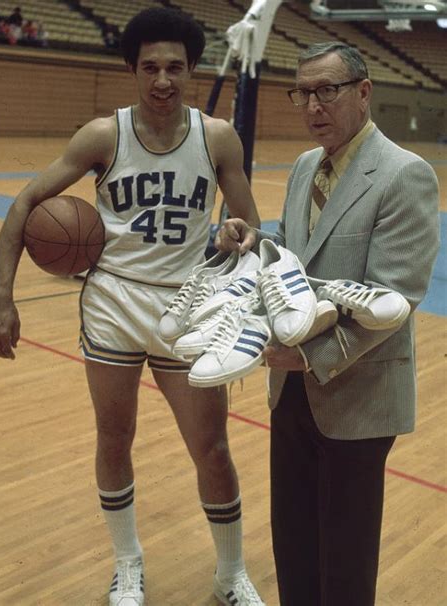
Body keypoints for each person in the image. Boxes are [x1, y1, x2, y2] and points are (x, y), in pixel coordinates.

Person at [0, 7, 264, 606]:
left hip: (188, 306)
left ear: (192, 70)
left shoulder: (216, 137)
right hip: (113, 301)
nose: (163, 80)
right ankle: (128, 565)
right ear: (133, 70)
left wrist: (235, 234)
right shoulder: (102, 136)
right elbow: (25, 203)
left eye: (175, 68)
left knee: (212, 449)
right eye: (150, 67)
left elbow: (252, 226)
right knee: (114, 438)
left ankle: (231, 572)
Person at [216, 41, 439, 606]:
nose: (314, 105)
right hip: (289, 387)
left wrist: (310, 356)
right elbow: (295, 254)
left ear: (363, 93)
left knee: (343, 560)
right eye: (304, 93)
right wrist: (256, 241)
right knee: (293, 545)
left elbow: (397, 296)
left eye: (327, 91)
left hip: (356, 392)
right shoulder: (303, 166)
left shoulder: (403, 175)